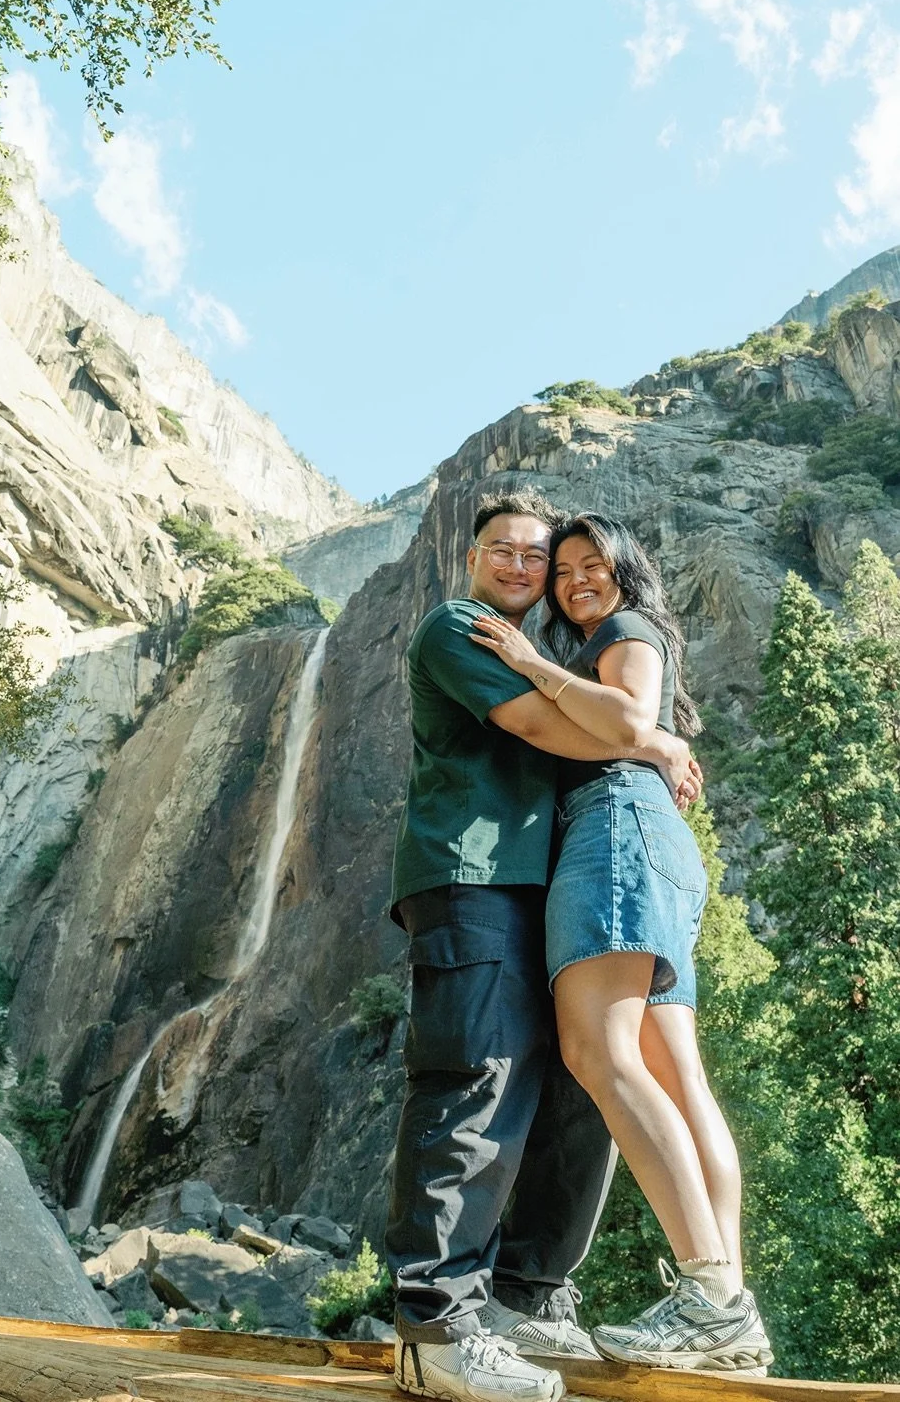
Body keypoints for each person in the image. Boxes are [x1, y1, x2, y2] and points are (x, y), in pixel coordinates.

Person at [386, 490, 702, 1402]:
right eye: (507, 552)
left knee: (579, 1090)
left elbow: (596, 727)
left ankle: (526, 1296)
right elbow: (542, 728)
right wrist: (647, 741)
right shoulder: (463, 629)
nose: (525, 569)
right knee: (474, 1075)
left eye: (542, 558)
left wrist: (633, 733)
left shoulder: (557, 654)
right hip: (472, 877)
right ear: (474, 557)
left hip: (550, 888)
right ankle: (436, 1322)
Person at [470, 512, 772, 1372]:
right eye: (561, 570)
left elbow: (630, 717)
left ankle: (709, 1296)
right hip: (649, 844)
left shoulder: (625, 630)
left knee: (597, 1054)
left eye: (590, 562)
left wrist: (527, 662)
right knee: (677, 1080)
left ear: (626, 568)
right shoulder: (604, 642)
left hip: (612, 834)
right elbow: (644, 729)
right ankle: (729, 1314)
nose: (573, 580)